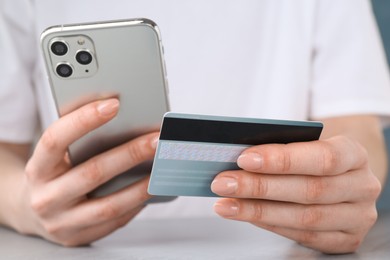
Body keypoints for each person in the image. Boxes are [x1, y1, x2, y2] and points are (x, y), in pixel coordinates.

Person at [1, 0, 390, 254]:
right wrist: (24, 202)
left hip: (280, 248)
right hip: (82, 247)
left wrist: (343, 187)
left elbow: (355, 126)